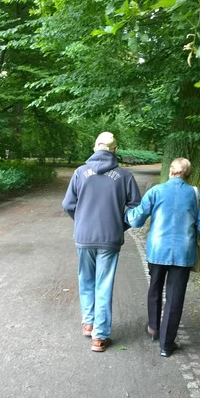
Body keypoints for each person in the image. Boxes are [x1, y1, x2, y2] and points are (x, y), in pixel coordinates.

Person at [62, 132, 141, 352]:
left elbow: (68, 204)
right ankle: (100, 336)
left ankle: (88, 323)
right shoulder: (125, 176)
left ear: (95, 148)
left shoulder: (80, 173)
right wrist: (121, 224)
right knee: (103, 284)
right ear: (115, 150)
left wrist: (81, 221)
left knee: (85, 279)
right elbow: (136, 209)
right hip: (110, 238)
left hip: (84, 236)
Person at [125, 158, 200, 357]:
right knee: (175, 297)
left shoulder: (155, 191)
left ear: (171, 171)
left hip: (157, 250)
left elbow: (137, 219)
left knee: (155, 286)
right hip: (183, 252)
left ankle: (153, 328)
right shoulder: (196, 194)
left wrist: (125, 213)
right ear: (188, 174)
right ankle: (166, 344)